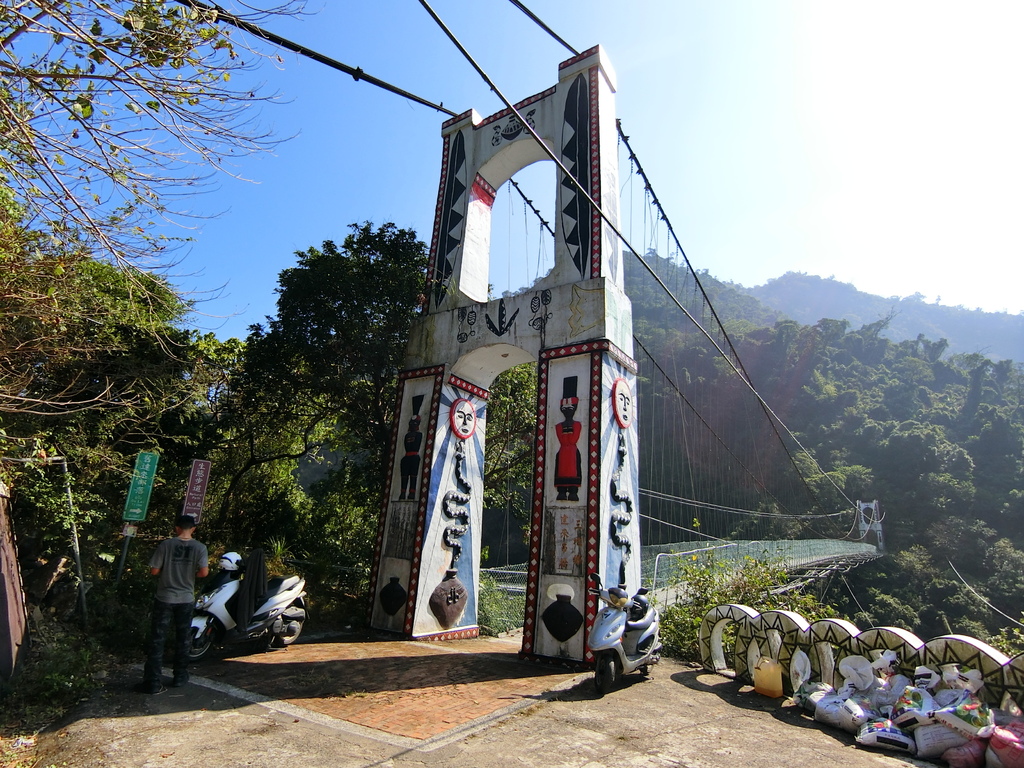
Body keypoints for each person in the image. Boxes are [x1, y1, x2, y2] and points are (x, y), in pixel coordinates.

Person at [141, 514, 209, 694]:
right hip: (186, 598)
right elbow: (204, 573)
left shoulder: (166, 545)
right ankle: (179, 676)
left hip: (164, 597)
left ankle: (153, 681)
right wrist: (189, 576)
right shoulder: (200, 547)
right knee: (183, 638)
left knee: (157, 639)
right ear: (193, 529)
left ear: (176, 528)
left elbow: (154, 570)